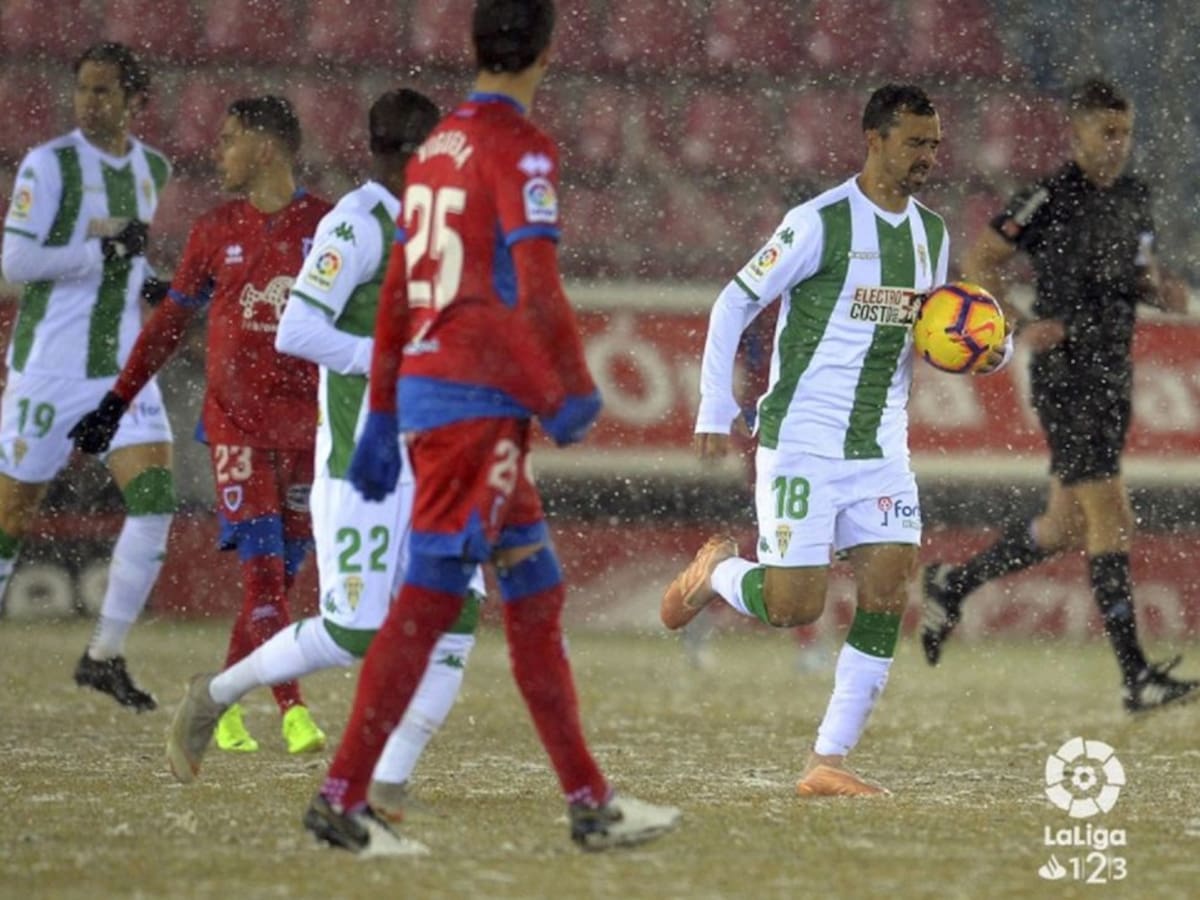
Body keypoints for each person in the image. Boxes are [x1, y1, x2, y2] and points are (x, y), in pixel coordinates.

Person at [301, 0, 681, 856]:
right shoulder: (519, 148)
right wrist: (574, 391)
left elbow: (401, 283)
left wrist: (384, 416)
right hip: (479, 407)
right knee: (430, 600)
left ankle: (590, 801)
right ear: (546, 50)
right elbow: (537, 282)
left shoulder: (433, 151)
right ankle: (341, 795)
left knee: (537, 593)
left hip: (444, 398)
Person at [663, 83, 1008, 798]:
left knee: (887, 588)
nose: (927, 157)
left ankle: (828, 760)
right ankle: (717, 574)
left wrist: (988, 349)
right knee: (796, 605)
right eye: (914, 142)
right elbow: (736, 299)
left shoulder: (933, 235)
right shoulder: (819, 222)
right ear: (874, 139)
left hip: (881, 446)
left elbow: (937, 330)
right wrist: (713, 406)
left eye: (935, 144)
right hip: (802, 441)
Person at [164, 89, 486, 811]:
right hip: (366, 468)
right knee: (353, 631)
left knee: (457, 615)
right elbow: (298, 330)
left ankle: (388, 781)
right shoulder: (358, 224)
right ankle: (215, 695)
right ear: (410, 153)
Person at [919, 77, 1198, 713]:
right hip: (1068, 375)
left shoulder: (1134, 196)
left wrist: (1163, 292)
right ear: (1075, 135)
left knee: (1063, 525)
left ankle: (951, 584)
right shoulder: (1048, 196)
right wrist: (1018, 322)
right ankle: (1137, 678)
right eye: (1106, 132)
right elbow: (979, 260)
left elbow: (1138, 273)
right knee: (1110, 518)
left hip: (1112, 370)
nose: (1118, 144)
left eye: (1125, 131)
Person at [71, 96, 331, 754]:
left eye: (229, 139)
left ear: (266, 149)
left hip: (307, 433)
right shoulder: (215, 229)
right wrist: (116, 401)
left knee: (285, 576)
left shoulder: (329, 228)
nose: (216, 152)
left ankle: (221, 698)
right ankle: (293, 710)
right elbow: (168, 325)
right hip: (237, 426)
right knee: (265, 577)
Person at [0, 42, 175, 711]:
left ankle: (103, 654)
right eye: (83, 89)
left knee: (155, 499)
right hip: (46, 368)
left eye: (104, 91)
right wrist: (102, 249)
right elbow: (16, 262)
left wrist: (160, 285)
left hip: (118, 370)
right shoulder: (49, 165)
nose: (89, 102)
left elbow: (126, 267)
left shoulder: (153, 168)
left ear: (136, 101)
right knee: (12, 515)